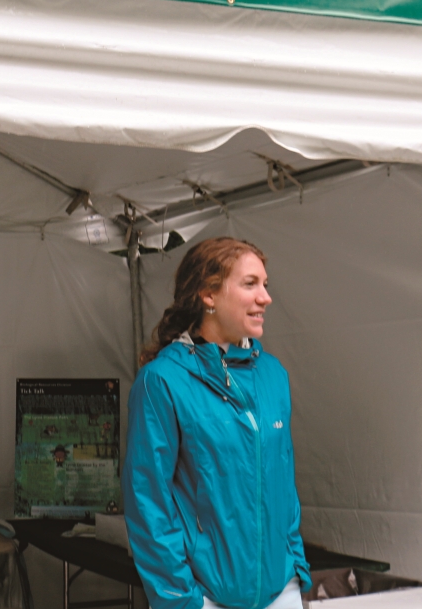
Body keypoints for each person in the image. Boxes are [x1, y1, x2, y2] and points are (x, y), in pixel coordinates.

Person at [124, 237, 311, 609]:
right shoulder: (162, 381)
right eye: (250, 284)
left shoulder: (273, 375)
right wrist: (181, 599)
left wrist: (295, 565)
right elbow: (148, 503)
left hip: (280, 592)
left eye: (265, 284)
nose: (265, 297)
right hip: (205, 598)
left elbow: (283, 482)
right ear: (208, 294)